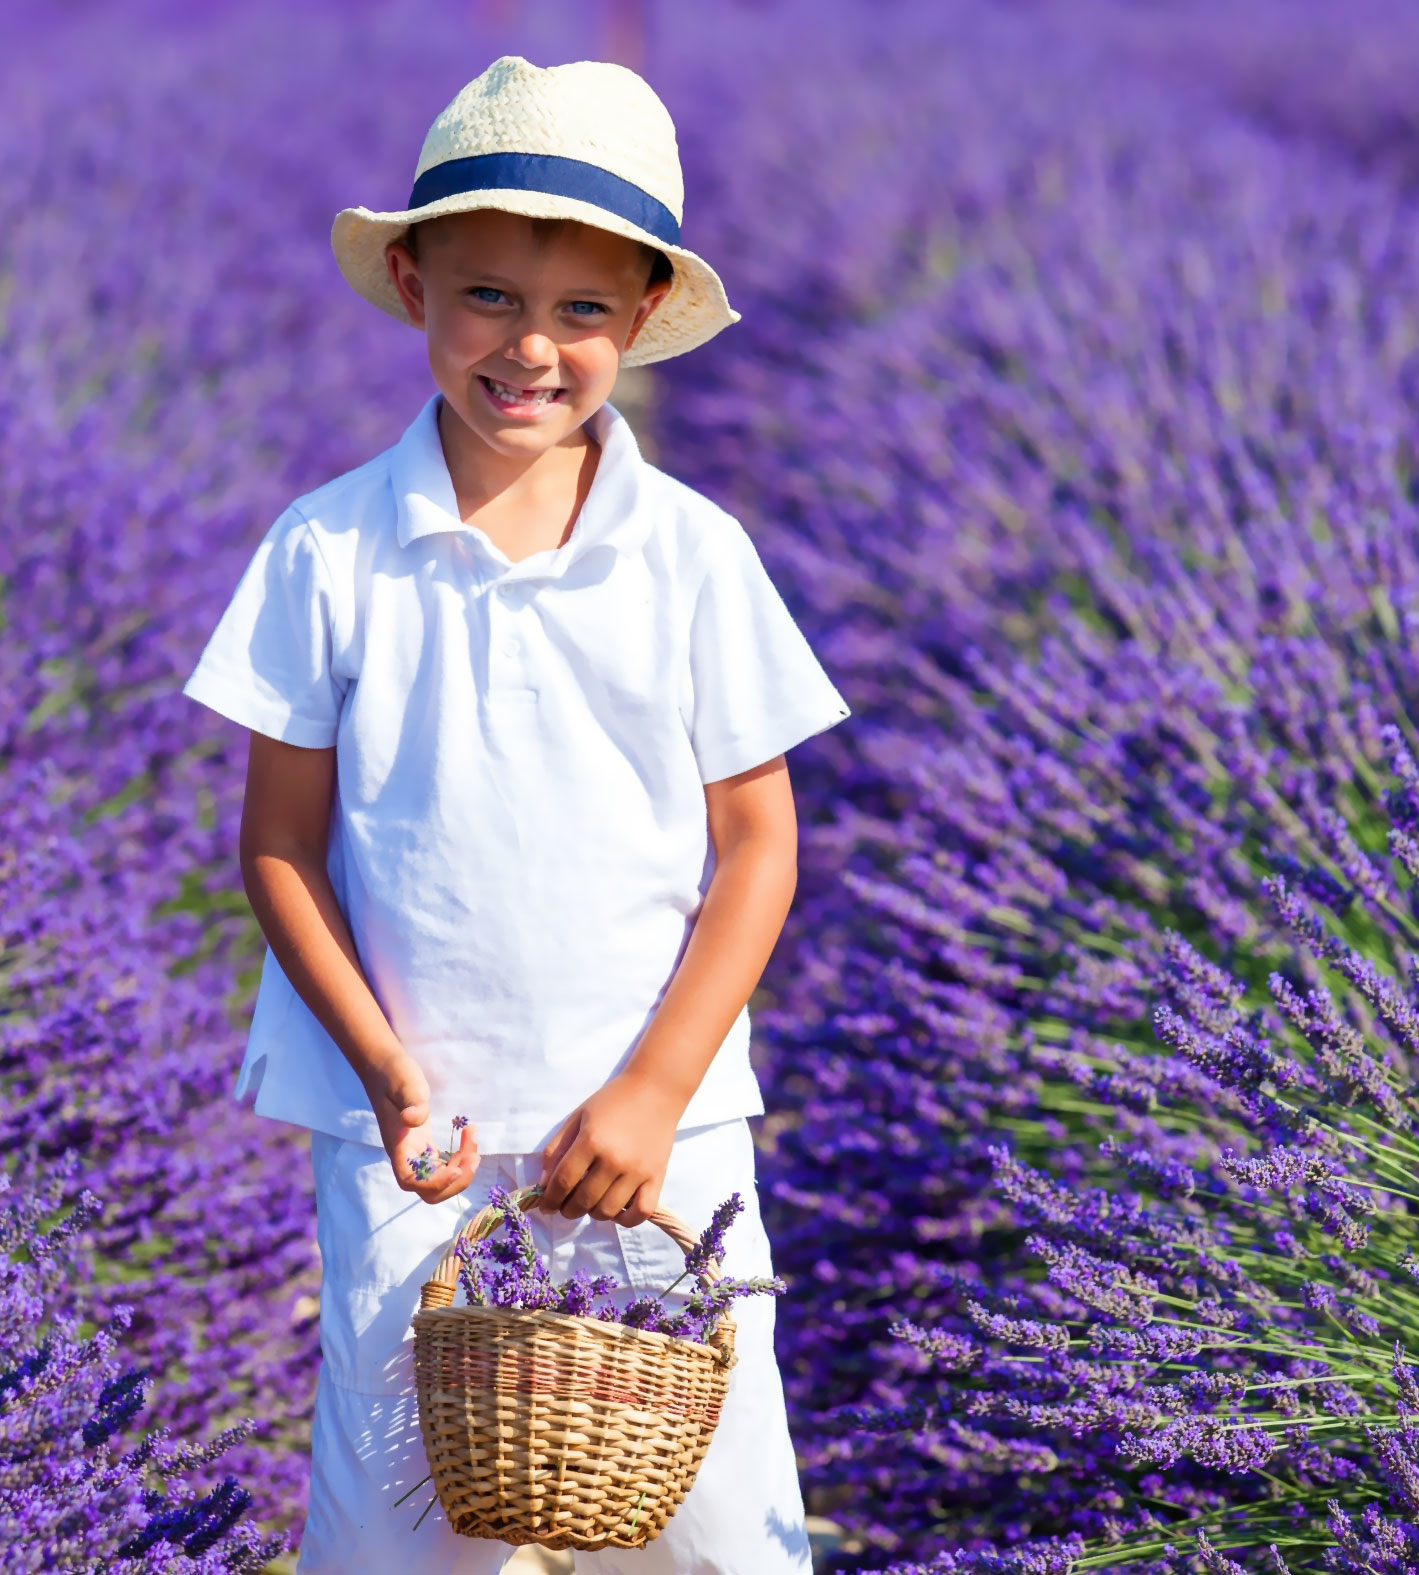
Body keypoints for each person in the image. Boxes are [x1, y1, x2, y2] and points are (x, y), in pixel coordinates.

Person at [181, 54, 844, 1574]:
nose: (530, 348)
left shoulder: (689, 555)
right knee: (393, 1525)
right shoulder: (329, 548)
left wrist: (651, 1095)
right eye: (486, 298)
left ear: (639, 322)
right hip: (415, 1127)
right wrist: (386, 1073)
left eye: (581, 314)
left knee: (715, 1526)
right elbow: (277, 840)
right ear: (411, 285)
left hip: (655, 1122)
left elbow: (759, 847)